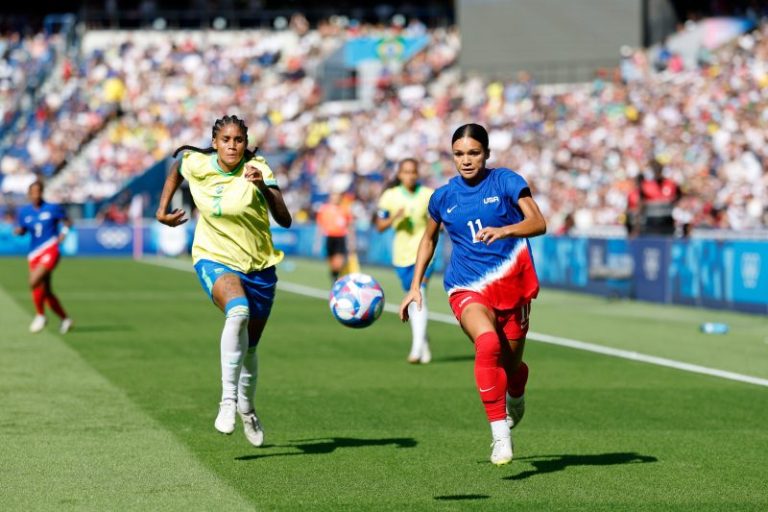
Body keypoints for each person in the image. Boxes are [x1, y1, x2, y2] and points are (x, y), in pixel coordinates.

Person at [398, 124, 546, 466]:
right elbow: (428, 239)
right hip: (466, 286)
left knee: (511, 366)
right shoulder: (443, 197)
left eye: (474, 153)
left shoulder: (506, 181)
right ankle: (500, 436)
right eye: (459, 154)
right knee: (488, 344)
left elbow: (538, 222)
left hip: (512, 285)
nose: (466, 160)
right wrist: (414, 286)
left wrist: (506, 229)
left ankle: (517, 394)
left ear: (487, 154)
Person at [155, 114, 292, 447]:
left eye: (239, 140)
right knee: (238, 312)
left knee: (251, 347)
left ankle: (247, 408)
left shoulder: (258, 168)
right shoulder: (198, 163)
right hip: (213, 257)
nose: (233, 146)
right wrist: (162, 209)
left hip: (259, 266)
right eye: (226, 140)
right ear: (215, 142)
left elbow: (284, 220)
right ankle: (227, 400)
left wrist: (262, 187)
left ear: (246, 143)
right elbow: (177, 169)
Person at [375, 158, 434, 364]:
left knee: (421, 294)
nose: (410, 176)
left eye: (413, 172)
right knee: (411, 298)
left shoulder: (427, 195)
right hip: (402, 256)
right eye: (406, 172)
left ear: (418, 174)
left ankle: (416, 348)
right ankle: (424, 343)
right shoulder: (390, 196)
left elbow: (436, 222)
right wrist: (395, 217)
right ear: (399, 175)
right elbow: (380, 226)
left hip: (425, 254)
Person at [14, 180, 74, 334]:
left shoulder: (52, 208)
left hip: (50, 249)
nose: (36, 195)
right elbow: (24, 230)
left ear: (42, 192)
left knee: (33, 280)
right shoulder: (24, 212)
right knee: (46, 291)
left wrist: (64, 234)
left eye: (38, 192)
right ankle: (65, 319)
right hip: (34, 253)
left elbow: (68, 221)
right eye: (33, 192)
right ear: (29, 195)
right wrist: (20, 231)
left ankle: (40, 316)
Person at [316, 190, 355, 282]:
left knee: (339, 263)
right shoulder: (324, 209)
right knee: (332, 264)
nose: (335, 199)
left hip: (340, 238)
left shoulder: (344, 209)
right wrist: (317, 242)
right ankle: (335, 278)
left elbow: (350, 227)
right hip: (330, 238)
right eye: (333, 196)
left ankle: (338, 278)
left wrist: (352, 242)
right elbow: (320, 226)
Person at [637, 158, 681, 236]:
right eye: (654, 169)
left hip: (667, 221)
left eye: (658, 168)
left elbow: (678, 198)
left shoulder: (671, 184)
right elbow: (641, 204)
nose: (656, 171)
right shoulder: (645, 185)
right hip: (651, 221)